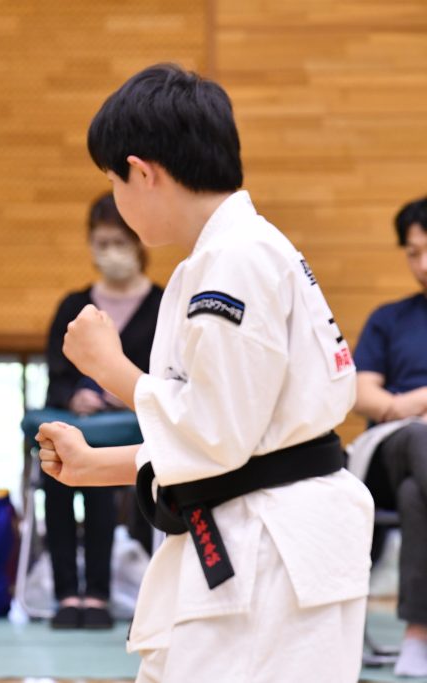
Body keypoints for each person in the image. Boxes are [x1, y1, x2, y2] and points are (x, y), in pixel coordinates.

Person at [36, 64, 373, 682]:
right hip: (262, 535)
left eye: (113, 182)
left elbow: (218, 434)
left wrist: (112, 369)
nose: (118, 200)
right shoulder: (231, 255)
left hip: (271, 550)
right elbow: (238, 434)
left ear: (142, 172)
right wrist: (98, 465)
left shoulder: (237, 260)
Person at [42, 192, 162, 629]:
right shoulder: (73, 306)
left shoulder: (163, 305)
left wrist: (125, 390)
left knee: (100, 473)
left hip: (136, 429)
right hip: (82, 422)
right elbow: (55, 375)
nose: (111, 252)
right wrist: (75, 397)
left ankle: (98, 593)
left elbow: (170, 377)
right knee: (55, 468)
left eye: (120, 242)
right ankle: (66, 593)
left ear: (138, 244)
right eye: (102, 243)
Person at [349, 196, 427, 677]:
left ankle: (418, 635)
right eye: (414, 253)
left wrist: (406, 399)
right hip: (391, 448)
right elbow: (362, 394)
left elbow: (388, 397)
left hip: (415, 475)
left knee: (418, 494)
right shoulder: (390, 318)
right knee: (420, 440)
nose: (423, 264)